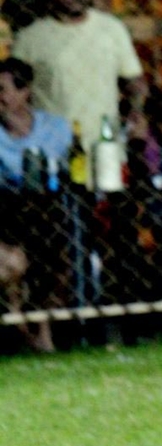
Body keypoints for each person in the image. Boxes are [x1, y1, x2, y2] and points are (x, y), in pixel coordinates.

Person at [11, 0, 146, 185]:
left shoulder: (112, 30)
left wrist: (136, 111)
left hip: (106, 152)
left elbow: (134, 81)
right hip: (54, 155)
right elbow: (15, 95)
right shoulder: (30, 39)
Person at [0, 57, 73, 352]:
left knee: (54, 246)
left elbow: (66, 170)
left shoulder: (54, 128)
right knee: (17, 258)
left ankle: (43, 328)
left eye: (3, 90)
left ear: (24, 91)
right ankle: (21, 325)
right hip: (6, 210)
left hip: (47, 210)